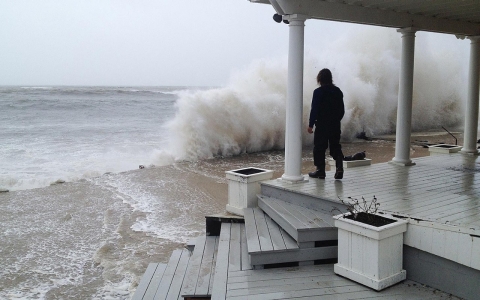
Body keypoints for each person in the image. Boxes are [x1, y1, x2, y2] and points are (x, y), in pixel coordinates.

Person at [307, 68, 345, 179]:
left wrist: (311, 124)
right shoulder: (338, 91)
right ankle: (339, 167)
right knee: (335, 146)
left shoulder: (318, 92)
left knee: (319, 147)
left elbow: (315, 109)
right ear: (330, 78)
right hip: (335, 124)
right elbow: (341, 110)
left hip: (322, 125)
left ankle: (320, 171)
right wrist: (336, 120)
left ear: (320, 79)